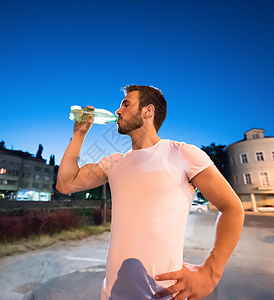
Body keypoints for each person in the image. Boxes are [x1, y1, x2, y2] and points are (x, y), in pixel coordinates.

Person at [56, 85, 245, 300]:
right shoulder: (114, 163)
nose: (118, 111)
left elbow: (232, 209)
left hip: (163, 296)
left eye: (126, 104)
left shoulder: (183, 154)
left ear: (148, 111)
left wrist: (211, 273)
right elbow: (65, 184)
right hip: (111, 294)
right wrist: (79, 135)